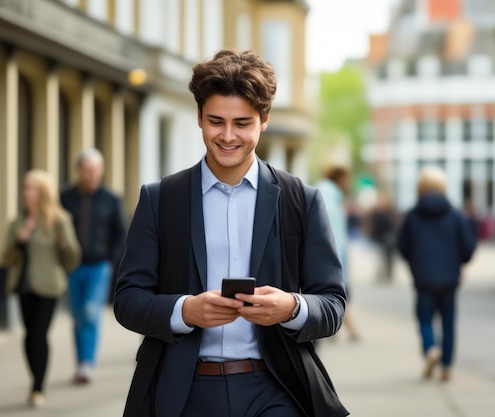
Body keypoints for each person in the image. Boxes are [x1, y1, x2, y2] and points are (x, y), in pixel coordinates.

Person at [114, 49, 348, 417]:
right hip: (186, 392)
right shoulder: (159, 200)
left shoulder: (302, 199)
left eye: (242, 123)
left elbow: (333, 304)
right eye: (216, 121)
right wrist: (185, 310)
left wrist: (291, 307)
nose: (227, 136)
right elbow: (127, 300)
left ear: (264, 120)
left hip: (277, 388)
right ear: (198, 118)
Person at [3, 170, 81, 407]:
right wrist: (19, 241)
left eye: (31, 188)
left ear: (43, 193)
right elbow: (6, 257)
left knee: (39, 334)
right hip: (23, 285)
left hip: (49, 286)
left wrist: (65, 246)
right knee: (29, 336)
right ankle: (34, 380)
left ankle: (38, 387)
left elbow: (72, 259)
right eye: (25, 188)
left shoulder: (59, 219)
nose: (26, 193)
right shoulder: (18, 221)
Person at [396, 166, 476, 383]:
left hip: (423, 277)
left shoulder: (412, 216)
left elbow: (402, 245)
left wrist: (415, 262)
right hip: (450, 278)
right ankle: (447, 367)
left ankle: (431, 348)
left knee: (424, 318)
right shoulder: (456, 215)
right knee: (448, 321)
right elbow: (469, 246)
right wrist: (460, 262)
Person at [60, 148, 127, 384]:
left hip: (99, 266)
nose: (91, 175)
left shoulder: (111, 199)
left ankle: (87, 363)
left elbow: (121, 233)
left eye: (96, 170)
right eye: (87, 170)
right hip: (72, 267)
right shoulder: (65, 198)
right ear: (79, 171)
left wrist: (112, 259)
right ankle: (81, 361)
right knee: (78, 315)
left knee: (90, 311)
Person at [315, 164, 360, 341]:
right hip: (331, 258)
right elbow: (332, 234)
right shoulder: (328, 197)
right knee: (336, 293)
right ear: (339, 179)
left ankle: (336, 327)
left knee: (336, 294)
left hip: (330, 256)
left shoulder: (329, 195)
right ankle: (339, 327)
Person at [368, 191, 397, 282]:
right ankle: (382, 274)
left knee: (389, 258)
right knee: (381, 257)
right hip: (380, 238)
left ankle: (388, 273)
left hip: (389, 238)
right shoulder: (377, 213)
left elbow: (394, 225)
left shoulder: (391, 212)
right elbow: (374, 226)